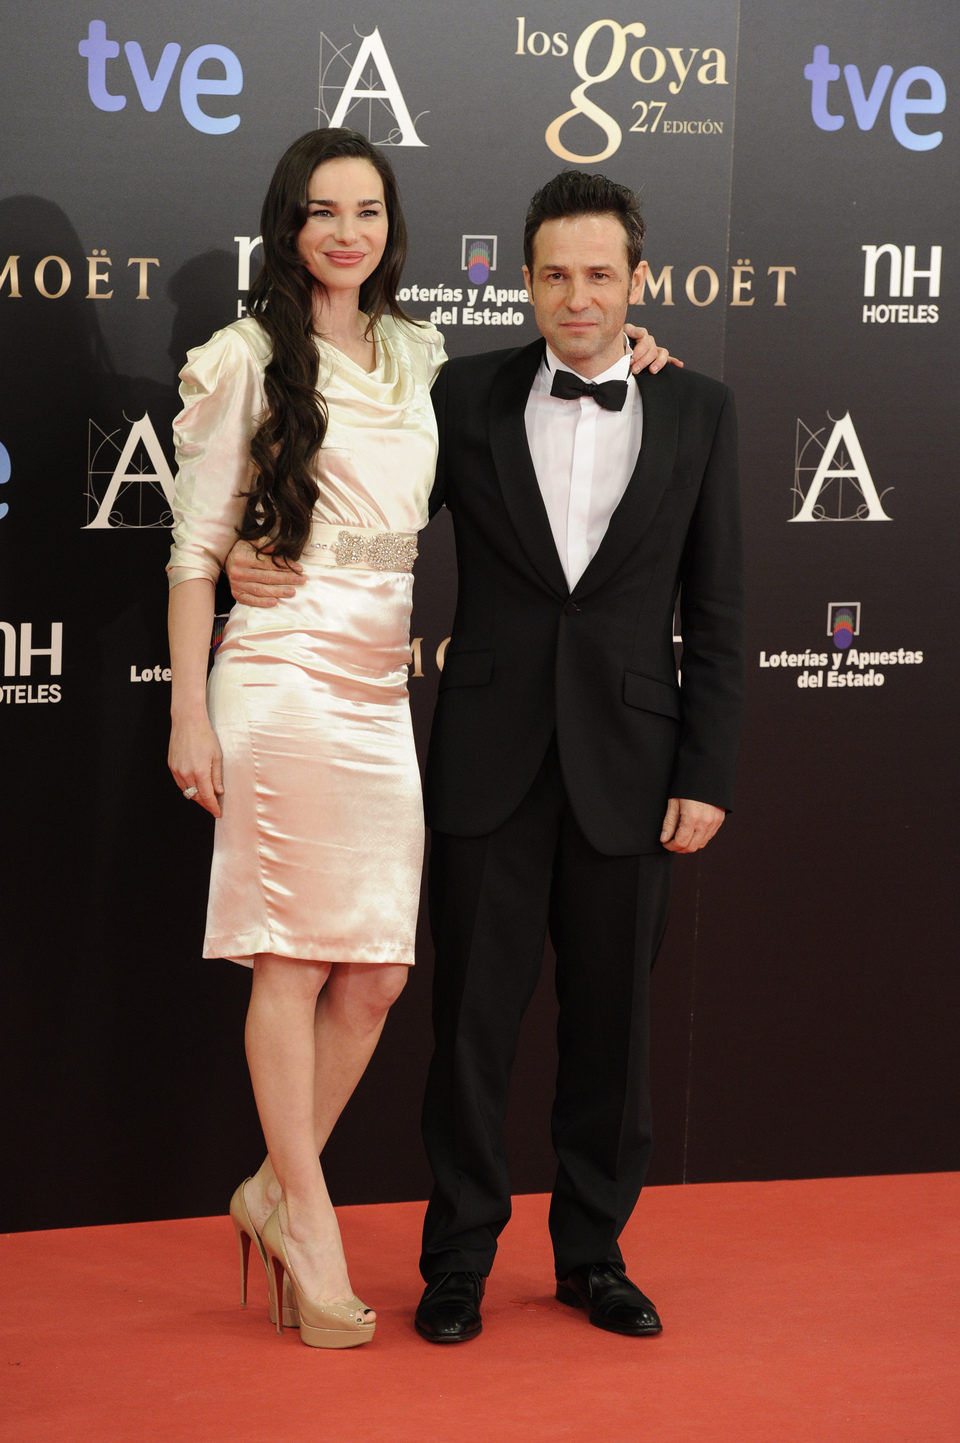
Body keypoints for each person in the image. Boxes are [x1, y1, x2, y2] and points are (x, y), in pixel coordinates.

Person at [223, 168, 702, 1345]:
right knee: (469, 1030)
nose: (576, 297)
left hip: (633, 765)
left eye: (601, 276)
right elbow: (354, 492)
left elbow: (725, 608)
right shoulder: (463, 390)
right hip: (485, 755)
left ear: (638, 284)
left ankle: (593, 1255)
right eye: (554, 275)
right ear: (524, 280)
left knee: (614, 1034)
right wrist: (250, 557)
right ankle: (457, 1263)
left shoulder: (698, 408)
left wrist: (710, 769)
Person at [166, 127, 447, 1349]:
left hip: (378, 680)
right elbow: (191, 555)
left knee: (377, 972)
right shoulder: (242, 358)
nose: (347, 231)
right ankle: (313, 1226)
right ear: (287, 227)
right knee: (290, 958)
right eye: (323, 211)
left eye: (369, 211)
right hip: (277, 676)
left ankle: (273, 1191)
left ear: (392, 227)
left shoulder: (417, 351)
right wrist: (189, 710)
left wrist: (636, 351)